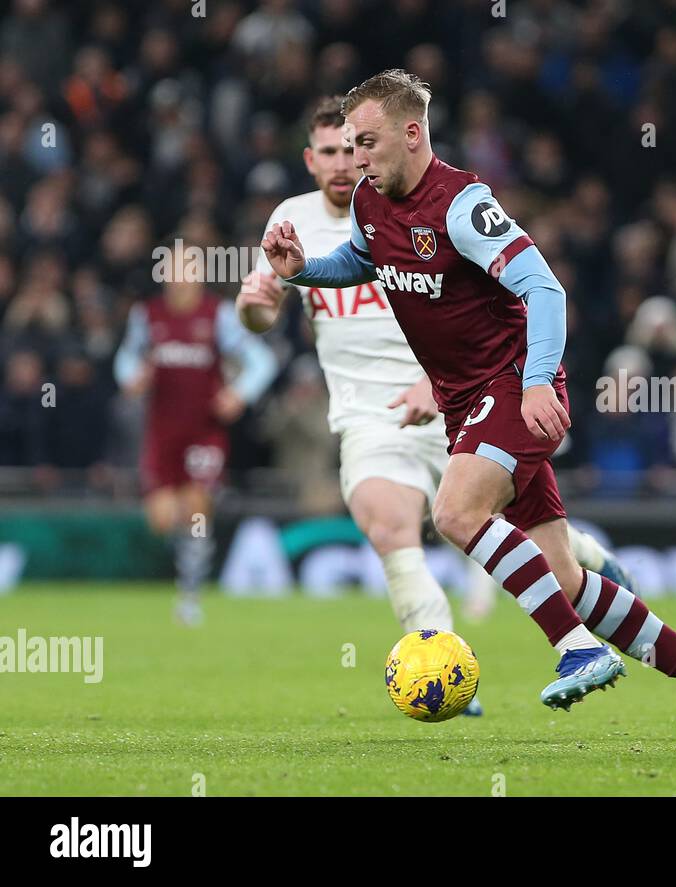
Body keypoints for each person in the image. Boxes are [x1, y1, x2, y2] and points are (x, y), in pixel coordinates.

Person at [261, 72, 676, 739]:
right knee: (564, 576)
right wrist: (301, 270)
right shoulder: (372, 204)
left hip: (513, 385)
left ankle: (575, 648)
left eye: (368, 142)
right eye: (350, 144)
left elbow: (545, 289)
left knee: (456, 511)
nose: (359, 159)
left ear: (411, 133)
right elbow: (359, 260)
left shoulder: (462, 203)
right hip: (464, 403)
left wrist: (540, 380)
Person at [239, 102, 634, 714]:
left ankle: (585, 566)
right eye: (336, 150)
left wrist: (465, 381)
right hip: (368, 414)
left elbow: (527, 290)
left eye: (358, 147)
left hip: (453, 391)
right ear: (310, 160)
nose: (349, 163)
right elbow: (262, 313)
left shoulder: (447, 205)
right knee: (394, 524)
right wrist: (273, 291)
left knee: (498, 531)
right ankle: (440, 664)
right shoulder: (295, 219)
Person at [114, 250, 277, 625]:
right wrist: (131, 378)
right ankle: (191, 559)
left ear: (199, 275)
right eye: (172, 270)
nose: (179, 277)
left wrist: (239, 394)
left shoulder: (216, 316)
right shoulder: (148, 316)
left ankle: (190, 596)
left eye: (186, 269)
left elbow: (262, 361)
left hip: (204, 432)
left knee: (195, 508)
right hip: (162, 434)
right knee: (161, 519)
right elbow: (126, 358)